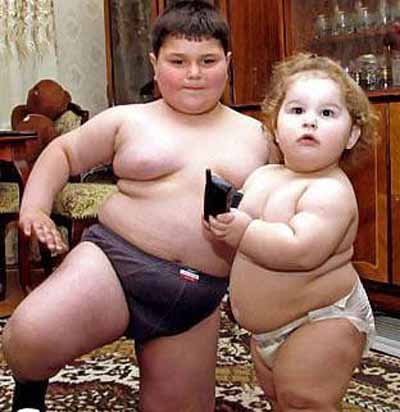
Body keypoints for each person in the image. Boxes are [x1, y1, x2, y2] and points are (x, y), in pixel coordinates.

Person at [2, 2, 271, 412]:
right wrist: (35, 209)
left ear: (228, 63)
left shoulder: (259, 135)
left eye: (208, 61)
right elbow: (63, 152)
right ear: (155, 64)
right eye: (178, 61)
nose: (194, 73)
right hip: (114, 262)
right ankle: (29, 397)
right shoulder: (128, 119)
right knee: (28, 339)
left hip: (194, 297)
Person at [206, 53, 377, 412]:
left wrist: (244, 231)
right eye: (297, 110)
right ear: (274, 126)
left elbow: (301, 250)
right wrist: (223, 220)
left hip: (323, 319)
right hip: (267, 329)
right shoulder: (264, 176)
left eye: (327, 113)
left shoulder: (330, 191)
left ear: (351, 135)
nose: (309, 121)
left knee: (304, 400)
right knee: (278, 398)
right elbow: (243, 224)